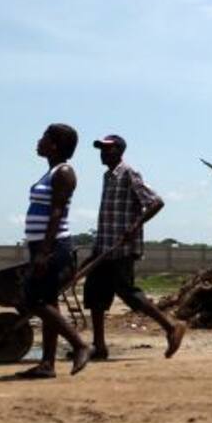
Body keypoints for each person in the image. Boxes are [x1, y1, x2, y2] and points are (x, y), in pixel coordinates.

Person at [81, 134, 186, 360]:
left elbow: (156, 202)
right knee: (95, 295)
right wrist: (95, 249)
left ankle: (171, 327)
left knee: (128, 292)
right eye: (101, 149)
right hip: (105, 248)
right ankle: (99, 346)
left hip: (122, 249)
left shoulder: (129, 173)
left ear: (119, 151)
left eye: (108, 149)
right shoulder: (108, 176)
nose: (103, 153)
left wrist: (134, 227)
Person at [17, 123, 92, 378]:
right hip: (42, 245)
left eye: (44, 138)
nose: (38, 142)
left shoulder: (64, 173)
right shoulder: (50, 172)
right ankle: (47, 364)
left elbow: (57, 213)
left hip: (54, 246)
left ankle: (80, 344)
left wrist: (44, 252)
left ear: (55, 145)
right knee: (48, 302)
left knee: (32, 299)